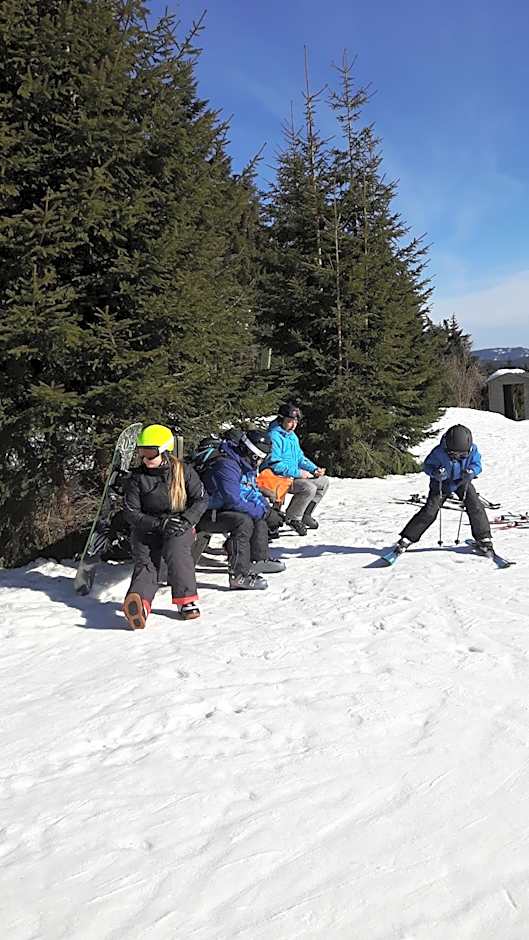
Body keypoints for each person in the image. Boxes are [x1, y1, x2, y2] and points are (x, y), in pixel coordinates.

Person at [122, 424, 209, 628]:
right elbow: (131, 512)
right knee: (146, 563)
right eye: (142, 452)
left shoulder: (184, 471)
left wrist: (187, 520)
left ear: (163, 450)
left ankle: (186, 600)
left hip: (179, 523)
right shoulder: (137, 478)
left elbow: (201, 499)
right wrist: (159, 523)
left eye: (150, 452)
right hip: (148, 526)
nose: (145, 458)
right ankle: (139, 604)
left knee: (176, 551)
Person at [197, 429, 285, 590]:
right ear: (250, 453)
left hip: (222, 509)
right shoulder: (226, 465)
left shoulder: (244, 464)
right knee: (243, 521)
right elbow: (233, 500)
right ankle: (239, 575)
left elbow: (251, 491)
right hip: (206, 512)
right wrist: (262, 512)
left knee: (256, 513)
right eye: (258, 458)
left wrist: (266, 509)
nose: (259, 462)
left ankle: (259, 559)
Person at [392, 424, 493, 555]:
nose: (457, 457)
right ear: (447, 447)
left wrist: (472, 472)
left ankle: (483, 537)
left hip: (462, 481)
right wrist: (435, 472)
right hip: (441, 483)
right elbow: (427, 466)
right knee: (430, 511)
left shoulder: (473, 450)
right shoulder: (438, 452)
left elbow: (477, 464)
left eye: (462, 455)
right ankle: (407, 538)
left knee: (475, 505)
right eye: (453, 454)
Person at [262, 402, 329, 535]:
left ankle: (305, 514)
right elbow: (275, 465)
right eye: (290, 421)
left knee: (323, 482)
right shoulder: (274, 436)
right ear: (281, 420)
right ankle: (293, 518)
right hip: (278, 478)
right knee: (308, 487)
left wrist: (314, 469)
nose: (293, 425)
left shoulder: (292, 436)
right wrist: (299, 473)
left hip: (292, 476)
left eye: (295, 422)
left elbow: (300, 458)